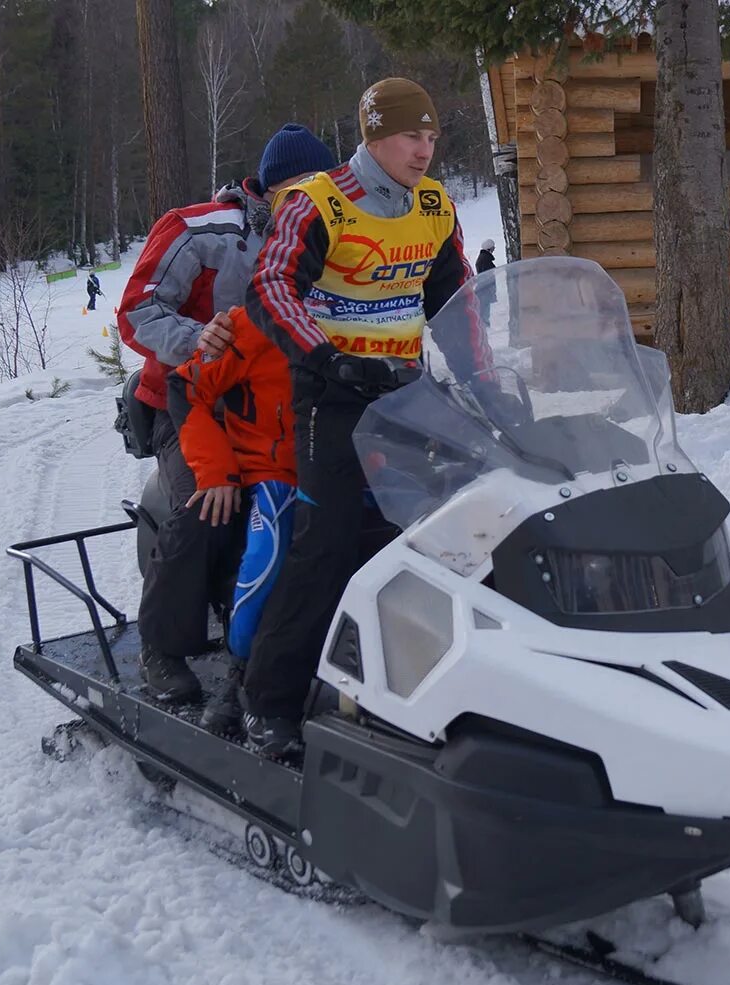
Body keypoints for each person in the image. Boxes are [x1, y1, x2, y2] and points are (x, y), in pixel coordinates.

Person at [242, 77, 491, 756]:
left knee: (433, 534)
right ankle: (270, 702)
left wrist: (490, 385)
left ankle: (411, 686)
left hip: (404, 387)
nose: (425, 150)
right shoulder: (317, 203)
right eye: (413, 136)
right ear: (375, 135)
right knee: (327, 542)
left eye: (433, 137)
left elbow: (457, 300)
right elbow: (269, 285)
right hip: (331, 391)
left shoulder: (434, 206)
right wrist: (327, 357)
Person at [118, 124, 337, 703]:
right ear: (268, 189)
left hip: (286, 407)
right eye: (300, 187)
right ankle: (160, 647)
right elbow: (137, 311)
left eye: (324, 185)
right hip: (189, 399)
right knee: (205, 504)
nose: (313, 198)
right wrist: (208, 342)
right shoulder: (201, 232)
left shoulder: (333, 233)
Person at [167, 305, 296, 735]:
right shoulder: (253, 323)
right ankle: (242, 672)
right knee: (268, 555)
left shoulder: (382, 306)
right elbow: (186, 387)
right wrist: (215, 468)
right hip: (276, 470)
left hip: (362, 463)